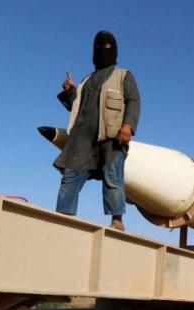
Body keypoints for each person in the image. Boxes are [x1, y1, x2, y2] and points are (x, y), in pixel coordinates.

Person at [51, 30, 141, 232]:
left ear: (114, 50)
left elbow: (133, 101)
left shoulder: (123, 76)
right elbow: (76, 108)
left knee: (112, 177)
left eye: (106, 46)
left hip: (111, 137)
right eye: (98, 46)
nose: (101, 49)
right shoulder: (86, 80)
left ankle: (117, 221)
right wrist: (71, 93)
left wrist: (128, 125)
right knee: (70, 175)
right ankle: (62, 218)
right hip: (82, 138)